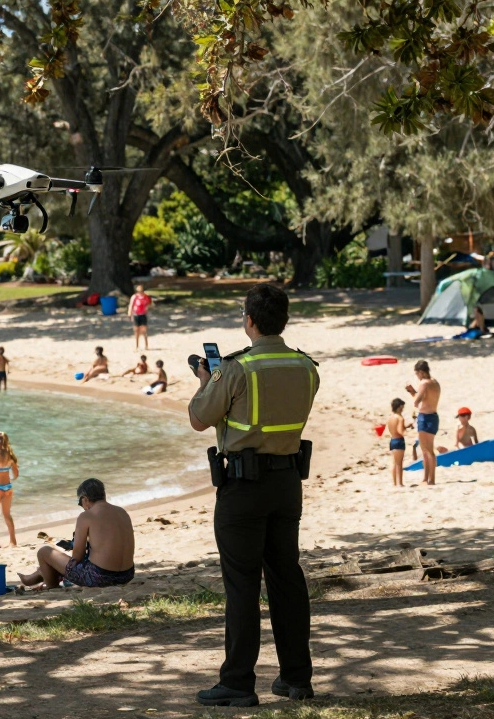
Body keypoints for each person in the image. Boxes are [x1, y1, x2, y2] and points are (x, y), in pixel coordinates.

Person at [187, 283, 320, 708]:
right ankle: (297, 677)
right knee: (287, 580)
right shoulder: (306, 367)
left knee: (242, 586)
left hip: (244, 488)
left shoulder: (237, 369)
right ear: (284, 319)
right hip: (287, 484)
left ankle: (239, 682)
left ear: (249, 320)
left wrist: (207, 381)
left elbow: (199, 418)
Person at [17, 478, 135, 590]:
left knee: (44, 552)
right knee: (59, 561)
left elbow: (77, 556)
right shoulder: (122, 512)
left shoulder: (87, 516)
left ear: (85, 499)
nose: (81, 506)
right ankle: (40, 574)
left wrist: (61, 567)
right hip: (127, 575)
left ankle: (50, 584)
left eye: (80, 502)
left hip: (100, 577)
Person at [406, 360, 441, 486]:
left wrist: (411, 392)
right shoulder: (435, 382)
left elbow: (417, 402)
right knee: (429, 450)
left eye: (417, 374)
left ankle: (428, 479)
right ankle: (429, 479)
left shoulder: (424, 383)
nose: (417, 377)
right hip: (434, 416)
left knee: (426, 450)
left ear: (421, 372)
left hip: (425, 417)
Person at [387, 398, 408, 488]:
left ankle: (395, 483)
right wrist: (407, 430)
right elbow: (400, 431)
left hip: (392, 440)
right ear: (400, 407)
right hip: (399, 440)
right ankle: (400, 483)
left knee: (394, 463)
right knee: (399, 463)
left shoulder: (390, 417)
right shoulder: (400, 418)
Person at [128, 284, 153, 350]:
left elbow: (149, 304)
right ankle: (136, 346)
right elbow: (131, 305)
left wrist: (146, 308)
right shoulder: (134, 297)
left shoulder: (146, 297)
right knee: (136, 331)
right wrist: (130, 314)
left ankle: (146, 345)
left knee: (144, 331)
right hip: (136, 315)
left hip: (143, 315)